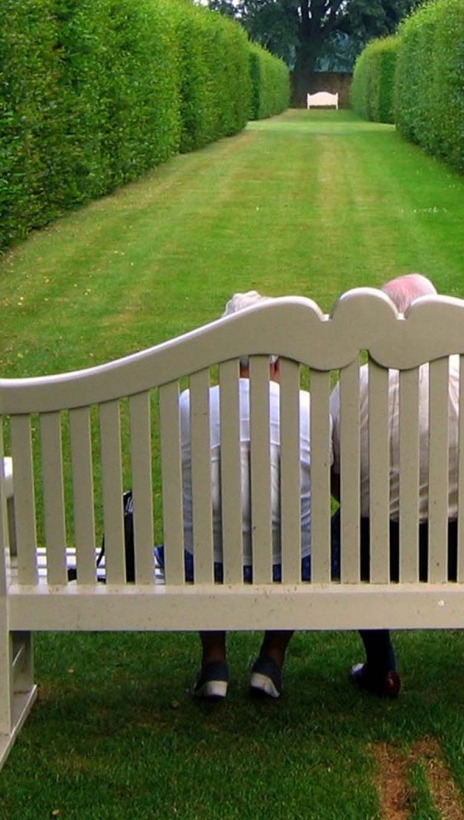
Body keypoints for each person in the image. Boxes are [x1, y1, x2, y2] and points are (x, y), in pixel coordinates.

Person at [329, 273, 464, 697]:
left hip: (378, 550)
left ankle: (381, 666)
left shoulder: (357, 384)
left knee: (345, 525)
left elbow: (336, 475)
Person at [175, 290, 313, 702]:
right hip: (287, 564)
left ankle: (214, 661)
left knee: (198, 537)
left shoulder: (189, 404)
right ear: (277, 360)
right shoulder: (306, 406)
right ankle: (270, 660)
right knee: (302, 538)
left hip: (206, 564)